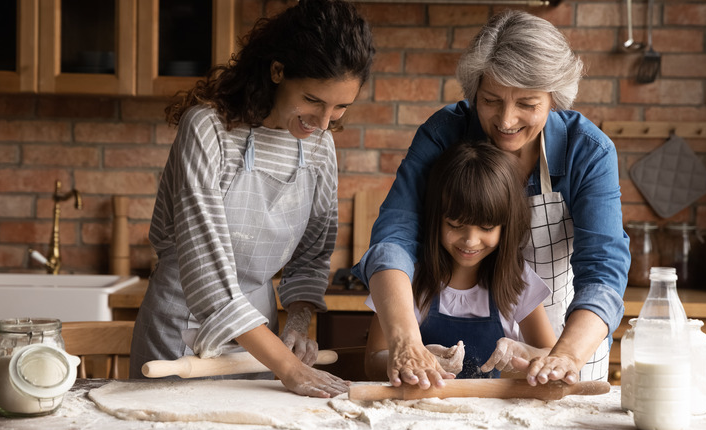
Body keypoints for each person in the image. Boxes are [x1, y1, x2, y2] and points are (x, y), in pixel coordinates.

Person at [352, 10, 630, 388]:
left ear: (554, 99)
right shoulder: (443, 135)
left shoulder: (588, 152)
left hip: (568, 342)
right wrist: (406, 343)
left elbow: (603, 270)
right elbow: (394, 238)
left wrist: (564, 355)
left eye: (527, 104)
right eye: (491, 100)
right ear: (474, 91)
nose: (506, 120)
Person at [130, 0, 375, 398]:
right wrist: (286, 366)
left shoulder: (320, 147)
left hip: (261, 340)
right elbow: (207, 275)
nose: (325, 122)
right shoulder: (207, 129)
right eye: (313, 100)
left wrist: (296, 324)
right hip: (182, 329)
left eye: (341, 107)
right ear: (277, 70)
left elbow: (311, 257)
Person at [364, 141, 557, 381]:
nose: (470, 241)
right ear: (436, 219)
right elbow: (373, 361)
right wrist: (419, 357)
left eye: (486, 227)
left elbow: (552, 356)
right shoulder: (406, 278)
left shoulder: (516, 279)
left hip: (492, 416)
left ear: (505, 226)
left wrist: (526, 353)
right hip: (420, 411)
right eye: (455, 226)